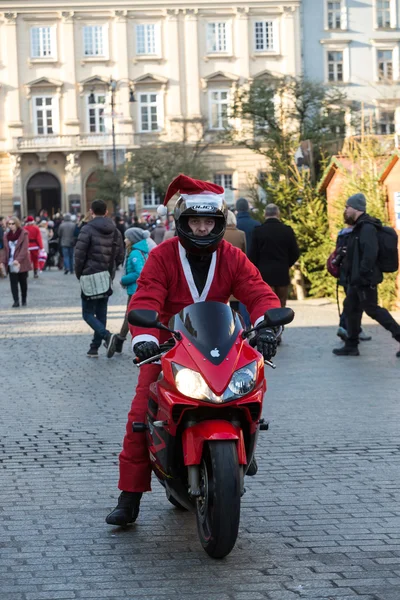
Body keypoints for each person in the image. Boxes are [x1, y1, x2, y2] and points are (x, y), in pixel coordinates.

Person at [105, 174, 281, 527]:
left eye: (208, 222)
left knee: (252, 389)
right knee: (141, 417)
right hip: (170, 344)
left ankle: (243, 444)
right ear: (182, 223)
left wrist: (268, 323)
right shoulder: (163, 256)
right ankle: (130, 495)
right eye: (194, 222)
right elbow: (146, 295)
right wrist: (144, 335)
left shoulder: (231, 255)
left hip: (222, 345)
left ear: (219, 223)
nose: (201, 229)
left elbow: (257, 290)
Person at [333, 193, 400, 357]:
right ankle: (351, 344)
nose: (345, 210)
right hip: (357, 279)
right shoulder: (359, 227)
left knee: (373, 310)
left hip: (364, 279)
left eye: (347, 207)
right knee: (351, 308)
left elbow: (370, 253)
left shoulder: (367, 228)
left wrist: (362, 272)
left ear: (355, 208)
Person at [74, 200, 124, 358]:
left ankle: (107, 336)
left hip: (89, 274)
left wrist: (79, 273)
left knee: (87, 313)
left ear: (91, 211)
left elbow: (79, 254)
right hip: (106, 275)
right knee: (101, 312)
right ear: (107, 212)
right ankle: (94, 347)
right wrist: (111, 267)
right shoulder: (115, 231)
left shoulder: (86, 229)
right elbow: (120, 254)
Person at [113, 228, 155, 356]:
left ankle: (121, 340)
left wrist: (124, 280)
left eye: (127, 238)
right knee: (131, 315)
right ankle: (120, 340)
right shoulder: (140, 250)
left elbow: (139, 272)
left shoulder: (135, 253)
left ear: (133, 240)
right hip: (138, 289)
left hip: (135, 290)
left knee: (130, 315)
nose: (125, 240)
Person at [249, 204, 300, 308]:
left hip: (264, 274)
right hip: (282, 272)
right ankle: (280, 324)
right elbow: (295, 253)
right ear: (278, 214)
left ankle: (270, 323)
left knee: (267, 303)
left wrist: (258, 268)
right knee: (281, 303)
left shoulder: (258, 231)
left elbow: (252, 255)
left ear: (264, 214)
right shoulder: (287, 231)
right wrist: (286, 264)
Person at [333, 226, 371, 343]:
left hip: (345, 273)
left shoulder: (341, 234)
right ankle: (346, 327)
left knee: (352, 302)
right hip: (355, 274)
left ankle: (354, 329)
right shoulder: (356, 234)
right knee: (354, 303)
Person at [3, 217, 31, 307]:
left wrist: (18, 260)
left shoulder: (24, 233)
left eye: (13, 224)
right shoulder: (6, 236)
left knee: (23, 282)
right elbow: (5, 250)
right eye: (9, 224)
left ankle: (24, 299)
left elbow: (24, 248)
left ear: (17, 224)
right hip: (11, 262)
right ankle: (16, 301)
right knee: (13, 283)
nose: (11, 226)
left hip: (21, 262)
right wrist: (2, 262)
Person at [223, 210, 247, 311]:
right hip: (235, 270)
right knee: (235, 305)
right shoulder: (241, 234)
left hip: (221, 270)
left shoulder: (219, 235)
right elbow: (245, 252)